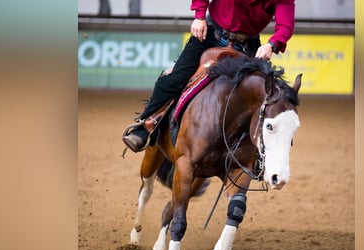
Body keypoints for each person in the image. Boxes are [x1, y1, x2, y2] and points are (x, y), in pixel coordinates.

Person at [122, 0, 296, 152]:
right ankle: (144, 127)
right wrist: (199, 16)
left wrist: (271, 45)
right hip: (211, 33)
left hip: (248, 45)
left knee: (259, 95)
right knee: (175, 79)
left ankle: (256, 154)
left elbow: (285, 26)